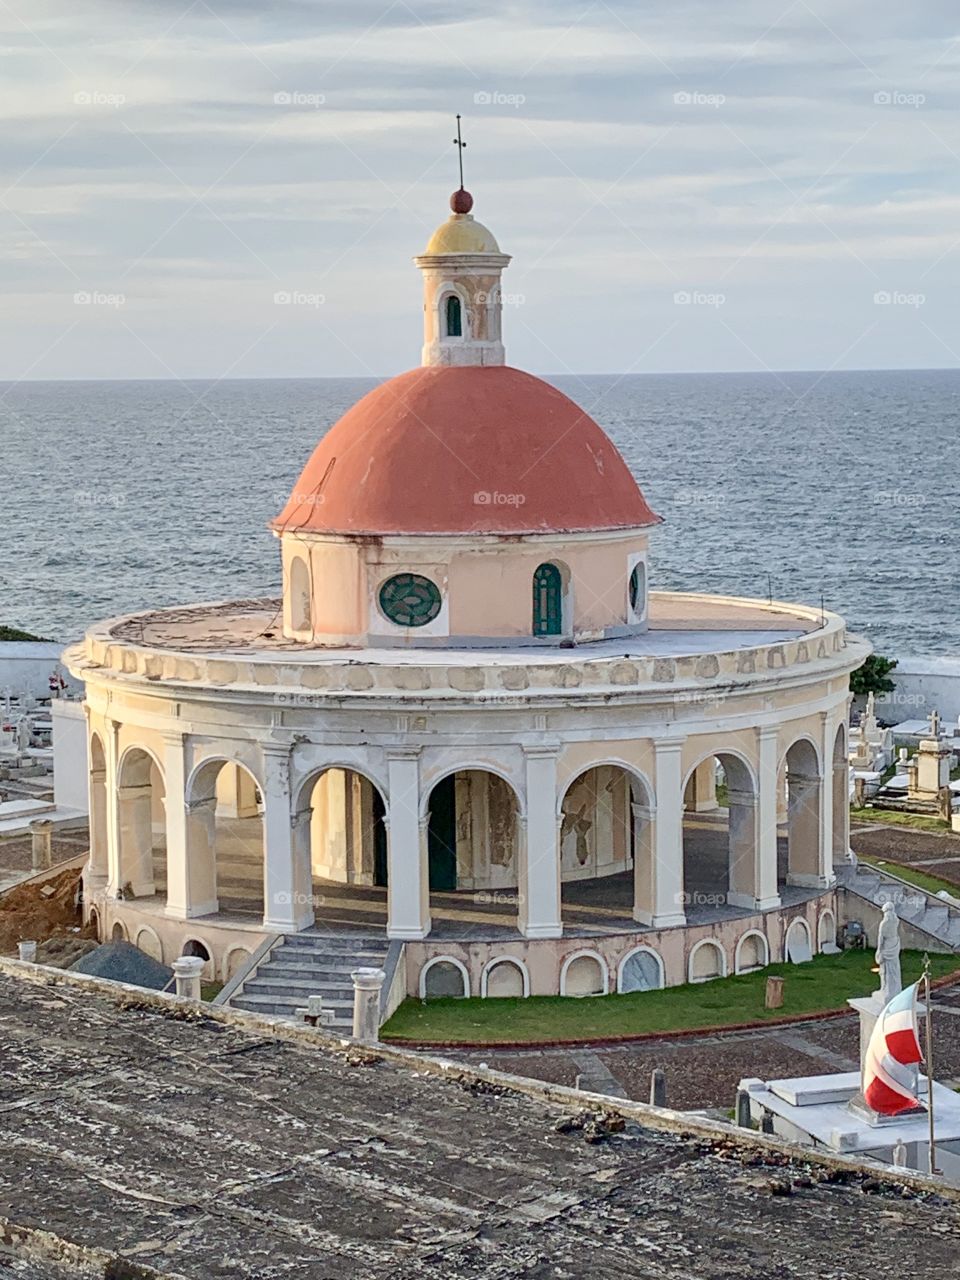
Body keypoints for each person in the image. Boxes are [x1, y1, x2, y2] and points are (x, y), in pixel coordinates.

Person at [875, 902, 902, 1004]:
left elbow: (881, 938)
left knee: (885, 969)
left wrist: (879, 950)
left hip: (887, 945)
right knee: (894, 968)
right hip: (894, 943)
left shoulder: (884, 923)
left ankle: (887, 990)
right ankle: (894, 989)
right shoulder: (896, 921)